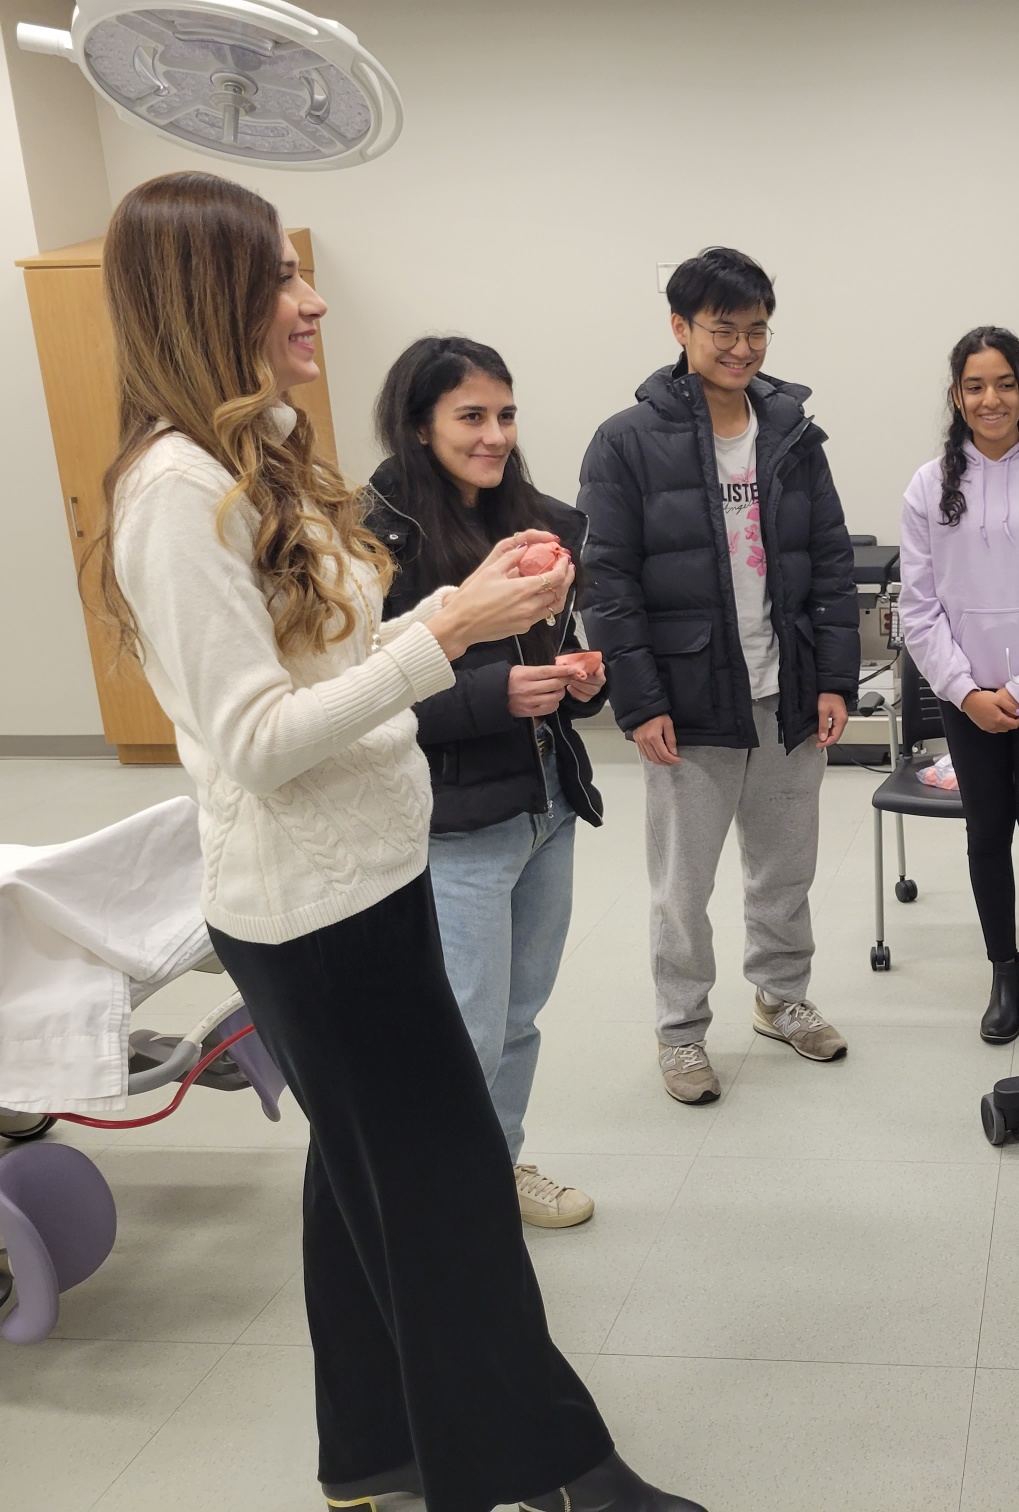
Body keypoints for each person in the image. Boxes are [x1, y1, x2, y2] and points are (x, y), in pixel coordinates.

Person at [99, 172, 696, 1512]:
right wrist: (454, 633)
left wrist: (458, 612)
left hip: (369, 882)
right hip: (308, 920)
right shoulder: (171, 495)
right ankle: (551, 1471)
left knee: (361, 1193)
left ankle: (373, 1455)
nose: (310, 298)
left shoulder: (254, 454)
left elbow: (332, 656)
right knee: (450, 1207)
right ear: (210, 298)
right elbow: (255, 737)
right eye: (278, 277)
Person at [580, 246, 859, 1107]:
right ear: (681, 329)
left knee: (785, 869)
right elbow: (609, 582)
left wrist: (834, 679)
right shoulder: (626, 441)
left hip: (787, 695)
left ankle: (781, 997)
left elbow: (830, 560)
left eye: (756, 330)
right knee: (683, 887)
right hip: (690, 702)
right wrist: (639, 703)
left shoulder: (792, 434)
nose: (742, 347)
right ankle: (682, 1033)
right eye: (723, 329)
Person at [363, 336, 606, 1231]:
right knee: (461, 1028)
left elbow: (556, 653)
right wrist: (490, 696)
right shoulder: (379, 539)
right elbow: (362, 702)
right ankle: (441, 1205)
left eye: (505, 414)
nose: (495, 434)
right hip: (453, 820)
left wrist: (582, 676)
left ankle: (494, 1169)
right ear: (420, 425)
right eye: (471, 416)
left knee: (519, 1015)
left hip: (544, 801)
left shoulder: (540, 521)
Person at [898, 327, 1019, 1042]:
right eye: (975, 386)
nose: (992, 399)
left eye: (1004, 383)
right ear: (958, 395)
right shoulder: (930, 485)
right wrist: (967, 691)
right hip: (966, 697)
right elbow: (917, 608)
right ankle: (1004, 969)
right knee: (987, 833)